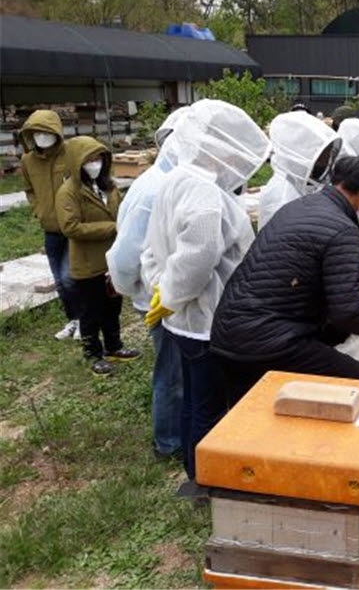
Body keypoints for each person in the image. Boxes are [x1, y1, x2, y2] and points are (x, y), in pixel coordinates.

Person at [140, 100, 271, 487]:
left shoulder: (174, 181)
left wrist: (162, 292)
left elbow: (153, 248)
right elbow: (197, 259)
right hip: (208, 320)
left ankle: (193, 468)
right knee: (208, 406)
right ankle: (208, 480)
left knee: (195, 396)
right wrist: (172, 294)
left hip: (185, 320)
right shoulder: (203, 193)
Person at [210, 155, 359, 395]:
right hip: (265, 344)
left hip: (227, 333)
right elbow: (348, 313)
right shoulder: (343, 232)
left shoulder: (299, 206)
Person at [105, 106, 190, 460]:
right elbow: (125, 255)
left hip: (168, 294)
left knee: (179, 371)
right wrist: (134, 291)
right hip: (160, 298)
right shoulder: (154, 190)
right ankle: (168, 443)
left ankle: (176, 432)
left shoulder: (169, 182)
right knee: (171, 374)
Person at [55, 136, 140, 374]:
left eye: (98, 158)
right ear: (76, 162)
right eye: (88, 159)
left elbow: (122, 211)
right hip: (87, 263)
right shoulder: (68, 192)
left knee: (113, 306)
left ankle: (114, 346)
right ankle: (93, 354)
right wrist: (112, 227)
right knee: (91, 311)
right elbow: (71, 227)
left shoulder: (109, 186)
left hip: (111, 260)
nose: (95, 163)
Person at [19, 109, 82, 340]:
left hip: (74, 228)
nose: (42, 137)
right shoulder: (28, 161)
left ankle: (85, 319)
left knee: (70, 276)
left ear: (57, 132)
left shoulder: (71, 154)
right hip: (50, 229)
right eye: (36, 133)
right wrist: (38, 209)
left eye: (46, 132)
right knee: (59, 280)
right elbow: (29, 190)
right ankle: (73, 319)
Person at [257, 111, 343, 230]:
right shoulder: (281, 199)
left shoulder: (298, 184)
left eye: (329, 153)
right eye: (323, 154)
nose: (327, 161)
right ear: (303, 153)